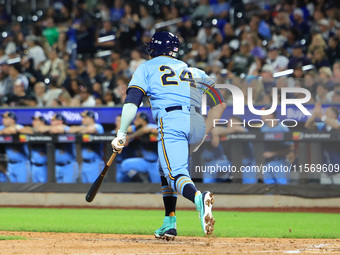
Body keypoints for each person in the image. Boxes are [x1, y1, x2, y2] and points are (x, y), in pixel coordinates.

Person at [111, 31, 226, 239]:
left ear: (155, 48)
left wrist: (121, 132)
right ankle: (169, 222)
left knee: (175, 175)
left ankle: (200, 199)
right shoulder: (191, 70)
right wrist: (204, 133)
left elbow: (132, 101)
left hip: (171, 121)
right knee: (163, 168)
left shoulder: (146, 67)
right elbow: (220, 102)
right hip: (196, 122)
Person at [210, 116, 257, 184]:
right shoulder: (226, 131)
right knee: (215, 166)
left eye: (233, 122)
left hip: (247, 164)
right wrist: (218, 132)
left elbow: (238, 129)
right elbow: (215, 132)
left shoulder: (244, 130)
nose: (229, 124)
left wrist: (223, 131)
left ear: (239, 124)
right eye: (229, 122)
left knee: (249, 185)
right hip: (230, 163)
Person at [304, 103, 340, 184]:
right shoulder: (322, 126)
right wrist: (314, 115)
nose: (324, 113)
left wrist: (320, 116)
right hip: (325, 169)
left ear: (333, 115)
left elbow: (337, 126)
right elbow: (307, 125)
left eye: (327, 112)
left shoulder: (337, 123)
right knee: (325, 193)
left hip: (338, 168)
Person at [121, 112, 159, 183]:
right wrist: (123, 136)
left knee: (157, 189)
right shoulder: (136, 128)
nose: (135, 122)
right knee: (125, 165)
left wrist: (131, 136)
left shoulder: (150, 126)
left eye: (137, 120)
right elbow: (124, 129)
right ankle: (142, 180)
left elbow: (146, 130)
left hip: (156, 164)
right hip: (145, 161)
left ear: (144, 121)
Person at [68, 110, 104, 183]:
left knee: (95, 188)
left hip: (95, 163)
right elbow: (70, 130)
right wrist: (82, 129)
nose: (82, 119)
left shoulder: (98, 126)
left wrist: (80, 130)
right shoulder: (82, 127)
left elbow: (91, 130)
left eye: (84, 117)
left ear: (91, 119)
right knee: (84, 189)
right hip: (84, 164)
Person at [260, 108, 293, 185]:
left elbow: (291, 148)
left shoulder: (282, 128)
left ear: (271, 115)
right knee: (269, 191)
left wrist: (273, 153)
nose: (261, 116)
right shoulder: (263, 128)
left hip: (281, 162)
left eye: (264, 114)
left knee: (283, 189)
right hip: (267, 163)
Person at [0, 111, 30, 182]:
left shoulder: (19, 126)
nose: (3, 119)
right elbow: (8, 131)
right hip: (10, 164)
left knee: (23, 187)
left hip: (22, 163)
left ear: (13, 120)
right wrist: (6, 130)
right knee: (11, 189)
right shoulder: (2, 127)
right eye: (3, 118)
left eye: (6, 118)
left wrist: (15, 129)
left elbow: (29, 131)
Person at [19, 116, 50, 183]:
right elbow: (22, 130)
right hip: (33, 166)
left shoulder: (48, 132)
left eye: (36, 121)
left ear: (42, 122)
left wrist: (39, 129)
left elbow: (45, 129)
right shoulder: (30, 131)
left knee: (46, 188)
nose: (33, 122)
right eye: (34, 120)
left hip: (45, 166)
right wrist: (34, 130)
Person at [50, 113, 78, 183]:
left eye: (54, 120)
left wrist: (63, 127)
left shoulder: (67, 129)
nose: (52, 122)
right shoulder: (50, 130)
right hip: (56, 166)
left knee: (69, 190)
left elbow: (60, 130)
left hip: (68, 165)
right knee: (56, 190)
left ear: (60, 122)